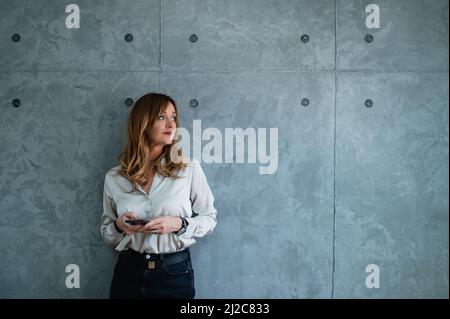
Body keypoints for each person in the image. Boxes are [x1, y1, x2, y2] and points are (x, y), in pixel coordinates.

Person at [100, 92, 217, 299]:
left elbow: (209, 219)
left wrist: (180, 225)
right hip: (128, 274)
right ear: (143, 123)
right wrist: (119, 226)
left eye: (173, 117)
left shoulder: (189, 169)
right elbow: (107, 233)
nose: (171, 124)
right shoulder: (114, 177)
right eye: (162, 117)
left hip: (174, 275)